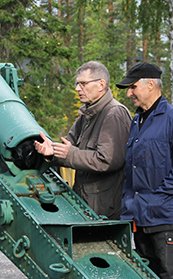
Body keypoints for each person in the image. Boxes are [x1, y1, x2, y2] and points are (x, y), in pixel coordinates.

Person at [116, 62, 173, 279]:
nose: (129, 93)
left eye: (133, 87)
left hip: (164, 215)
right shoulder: (137, 120)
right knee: (148, 278)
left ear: (151, 84)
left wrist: (160, 196)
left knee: (170, 276)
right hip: (139, 214)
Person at [35, 61, 132, 220]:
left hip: (104, 210)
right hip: (86, 204)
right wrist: (51, 152)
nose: (77, 89)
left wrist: (69, 154)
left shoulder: (114, 113)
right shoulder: (86, 116)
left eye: (83, 84)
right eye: (77, 83)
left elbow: (107, 160)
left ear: (101, 84)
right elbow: (69, 148)